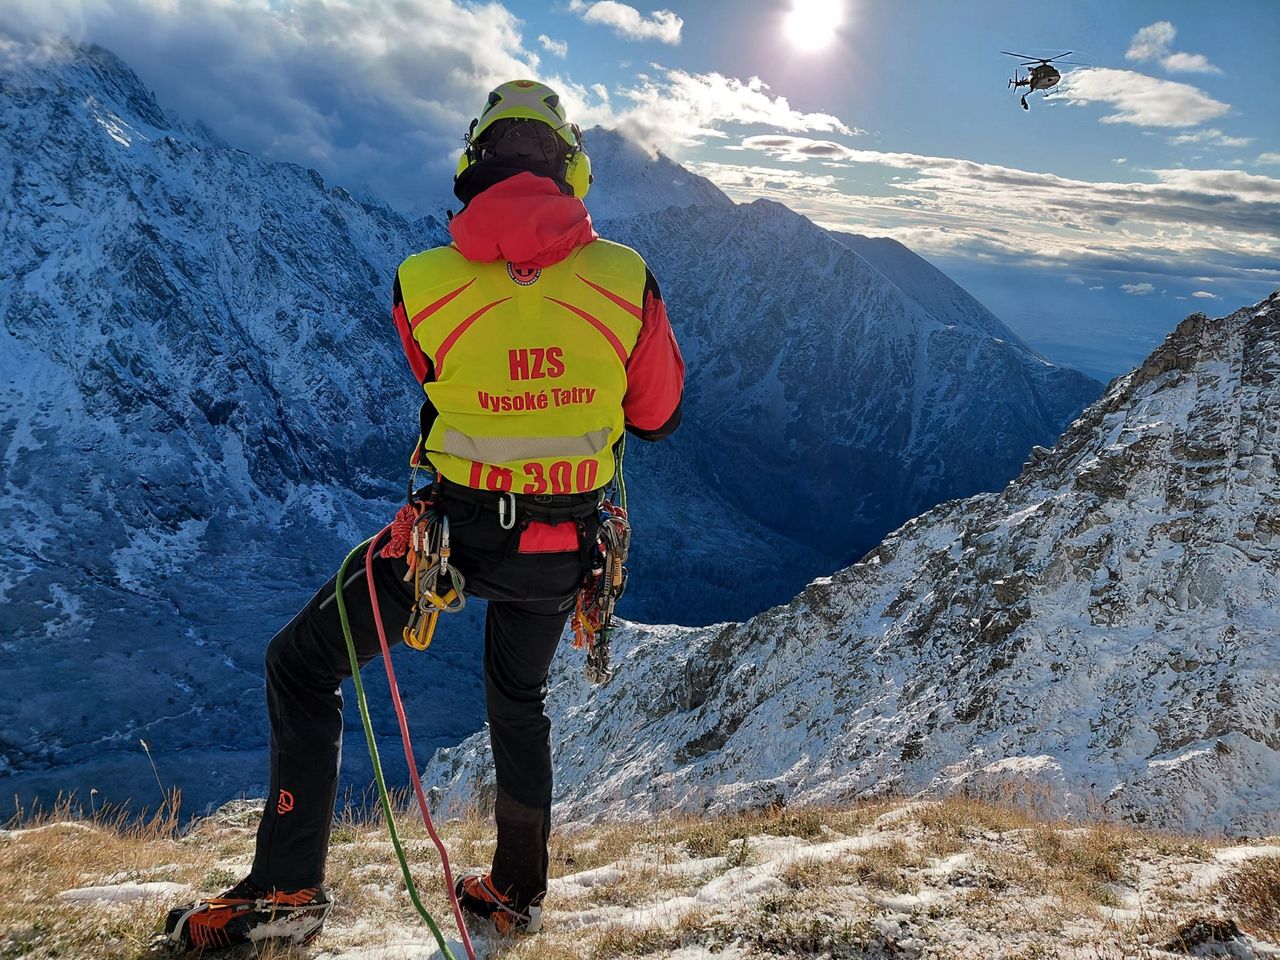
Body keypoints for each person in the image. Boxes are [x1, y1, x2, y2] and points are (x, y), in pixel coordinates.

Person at [163, 79, 684, 949]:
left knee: (303, 665)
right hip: (565, 544)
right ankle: (514, 891)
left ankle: (288, 889)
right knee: (518, 700)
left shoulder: (423, 282)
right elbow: (657, 412)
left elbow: (438, 375)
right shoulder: (627, 279)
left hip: (449, 541)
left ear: (471, 165)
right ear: (574, 168)